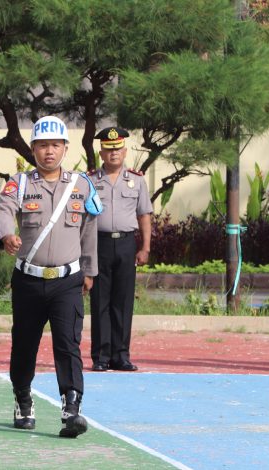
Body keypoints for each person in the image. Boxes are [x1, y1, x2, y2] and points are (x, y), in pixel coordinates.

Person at [0, 115, 99, 438]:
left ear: (65, 148)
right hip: (28, 279)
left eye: (55, 145)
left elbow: (90, 227)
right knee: (24, 345)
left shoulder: (81, 185)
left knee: (68, 344)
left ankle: (71, 407)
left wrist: (90, 270)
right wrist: (6, 236)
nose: (48, 152)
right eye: (42, 145)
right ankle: (23, 399)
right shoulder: (21, 183)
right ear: (33, 149)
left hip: (68, 279)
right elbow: (3, 209)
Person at [89, 127, 153, 372]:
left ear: (124, 151)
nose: (113, 153)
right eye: (108, 149)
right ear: (101, 153)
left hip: (127, 244)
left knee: (123, 302)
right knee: (100, 301)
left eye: (117, 149)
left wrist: (145, 247)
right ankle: (101, 357)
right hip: (99, 243)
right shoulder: (91, 180)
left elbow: (144, 215)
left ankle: (121, 356)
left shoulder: (136, 180)